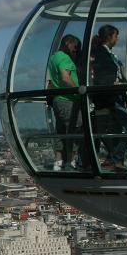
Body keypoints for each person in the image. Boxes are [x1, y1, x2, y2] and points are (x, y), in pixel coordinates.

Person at [90, 25, 127, 172]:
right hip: (111, 98)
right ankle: (115, 159)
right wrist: (113, 84)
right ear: (110, 37)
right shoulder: (102, 54)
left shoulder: (105, 53)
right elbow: (102, 75)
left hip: (112, 97)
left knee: (113, 130)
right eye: (116, 35)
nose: (117, 38)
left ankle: (114, 159)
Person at [46, 34, 82, 170]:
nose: (76, 50)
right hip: (68, 99)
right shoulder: (64, 58)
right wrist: (78, 91)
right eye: (75, 46)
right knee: (76, 128)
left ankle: (58, 161)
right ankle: (71, 160)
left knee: (60, 130)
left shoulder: (54, 57)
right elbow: (65, 78)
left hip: (57, 99)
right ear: (68, 43)